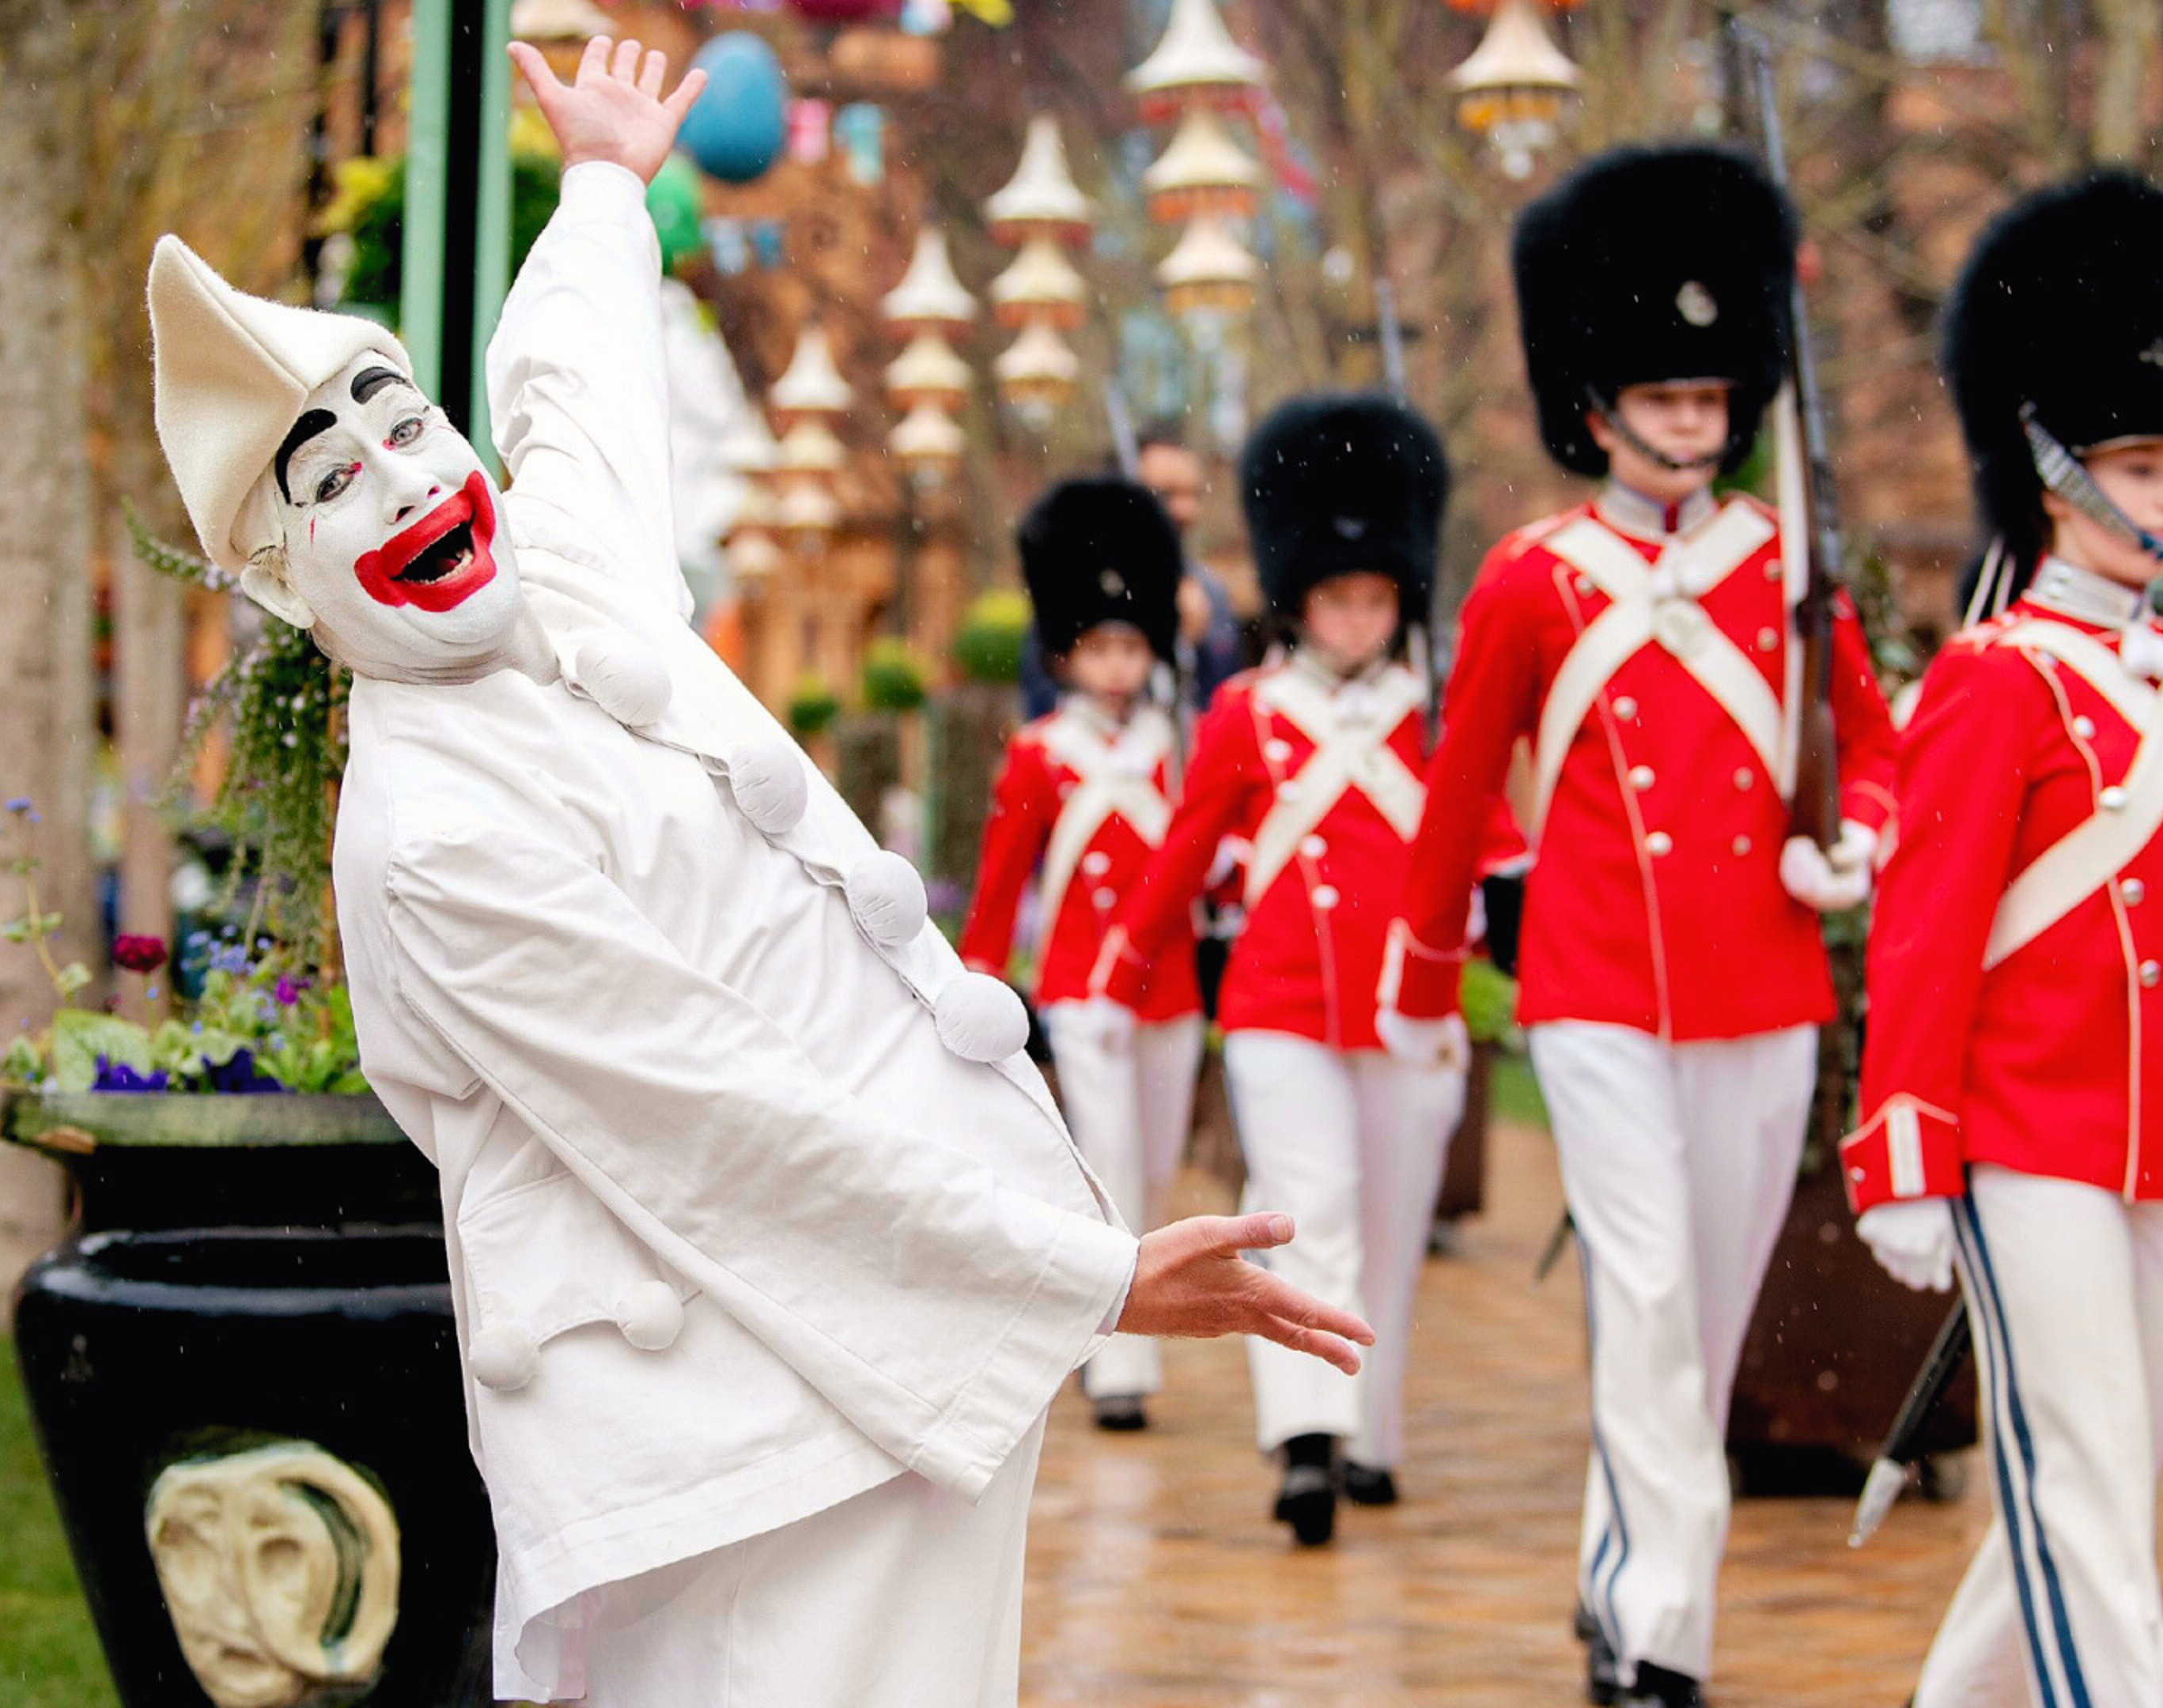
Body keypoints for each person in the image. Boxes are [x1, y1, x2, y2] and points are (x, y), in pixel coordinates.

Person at [143, 39, 1369, 1706]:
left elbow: (570, 393)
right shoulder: (436, 842)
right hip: (742, 1426)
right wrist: (1088, 1282)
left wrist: (598, 183)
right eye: (339, 482)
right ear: (290, 585)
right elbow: (718, 1122)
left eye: (405, 424)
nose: (414, 480)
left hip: (893, 1344)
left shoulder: (566, 573)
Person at [1382, 145, 1900, 1708]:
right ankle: (1668, 1627)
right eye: (1662, 398)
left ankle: (1625, 1581)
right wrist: (1430, 974)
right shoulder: (1536, 578)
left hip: (1764, 982)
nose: (1692, 422)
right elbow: (1460, 777)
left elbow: (1872, 746)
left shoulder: (1792, 572)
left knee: (1706, 1323)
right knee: (1652, 1296)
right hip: (1600, 985)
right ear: (1598, 407)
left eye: (1710, 397)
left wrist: (1856, 843)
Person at [1847, 172, 2163, 1708]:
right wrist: (1903, 1146)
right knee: (2091, 1486)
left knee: (2113, 1450)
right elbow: (1927, 930)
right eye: (2137, 464)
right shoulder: (1993, 677)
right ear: (2051, 472)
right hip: (2027, 1129)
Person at [1095, 394, 1471, 1549]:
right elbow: (1185, 855)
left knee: (1396, 1228)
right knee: (1310, 1215)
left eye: (1373, 599)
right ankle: (1307, 1439)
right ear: (1301, 599)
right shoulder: (1248, 714)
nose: (1357, 619)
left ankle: (1373, 1431)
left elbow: (1487, 850)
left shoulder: (1437, 718)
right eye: (1336, 598)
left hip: (1412, 1011)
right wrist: (1122, 974)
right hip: (1279, 1003)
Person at [958, 479, 1204, 1434]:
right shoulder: (1039, 751)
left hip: (1168, 987)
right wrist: (979, 965)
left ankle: (1109, 1323)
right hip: (1085, 984)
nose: (1115, 665)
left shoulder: (1177, 744)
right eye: (1099, 647)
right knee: (1108, 1166)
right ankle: (1119, 1361)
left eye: (1131, 646)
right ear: (1068, 650)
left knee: (1154, 1160)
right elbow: (1004, 870)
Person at [1019, 429, 1242, 719]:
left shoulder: (1211, 591)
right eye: (1167, 493)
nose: (1186, 510)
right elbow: (1045, 698)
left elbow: (1220, 699)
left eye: (1193, 494)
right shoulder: (1076, 583)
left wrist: (1188, 643)